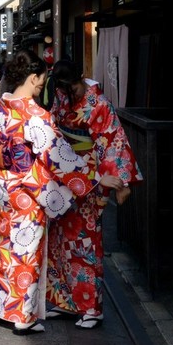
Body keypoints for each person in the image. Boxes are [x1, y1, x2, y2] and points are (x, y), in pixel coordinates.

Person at [0, 50, 124, 335]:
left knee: (5, 246)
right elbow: (58, 157)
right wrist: (95, 177)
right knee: (27, 251)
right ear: (32, 78)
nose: (43, 88)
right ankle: (22, 316)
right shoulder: (34, 115)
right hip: (27, 192)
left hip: (3, 189)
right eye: (42, 83)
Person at [44, 59, 143, 329]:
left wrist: (116, 181)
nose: (69, 95)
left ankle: (91, 306)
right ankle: (65, 302)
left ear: (82, 78)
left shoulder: (98, 104)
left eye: (73, 89)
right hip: (64, 174)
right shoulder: (61, 96)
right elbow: (53, 128)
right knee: (59, 238)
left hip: (89, 175)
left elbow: (113, 141)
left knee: (85, 241)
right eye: (64, 91)